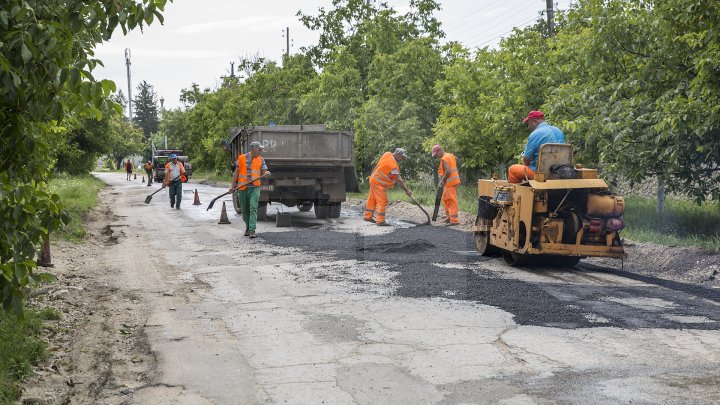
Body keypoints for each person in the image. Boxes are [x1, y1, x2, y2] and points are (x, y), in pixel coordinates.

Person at [508, 110, 566, 183]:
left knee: (512, 169)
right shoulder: (558, 131)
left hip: (541, 174)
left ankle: (517, 193)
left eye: (528, 124)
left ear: (534, 121)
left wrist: (529, 162)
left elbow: (526, 161)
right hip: (560, 171)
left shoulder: (535, 134)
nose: (528, 127)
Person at [231, 141, 271, 238]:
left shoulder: (261, 160)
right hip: (242, 188)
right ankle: (248, 227)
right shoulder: (241, 158)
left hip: (254, 188)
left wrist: (266, 174)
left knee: (253, 208)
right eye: (259, 149)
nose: (261, 151)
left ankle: (252, 230)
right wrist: (232, 187)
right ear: (253, 149)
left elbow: (264, 172)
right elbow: (236, 173)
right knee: (244, 210)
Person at [364, 148, 413, 226]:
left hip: (373, 179)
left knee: (372, 199)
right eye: (401, 157)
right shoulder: (393, 166)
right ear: (397, 154)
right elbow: (399, 180)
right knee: (383, 201)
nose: (402, 159)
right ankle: (380, 221)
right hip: (378, 183)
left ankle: (368, 216)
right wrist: (406, 190)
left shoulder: (387, 154)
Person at [431, 144, 461, 225]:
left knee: (451, 200)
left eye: (436, 154)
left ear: (439, 150)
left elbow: (448, 171)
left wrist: (443, 180)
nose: (436, 156)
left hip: (450, 182)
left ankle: (454, 220)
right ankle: (449, 218)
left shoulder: (444, 159)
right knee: (445, 199)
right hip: (451, 182)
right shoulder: (450, 155)